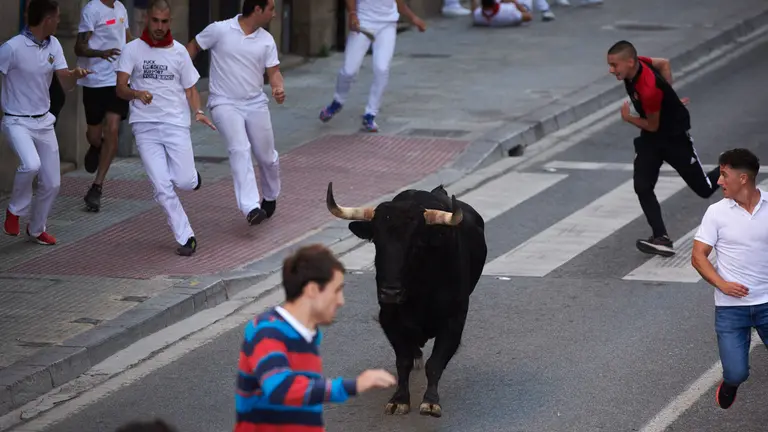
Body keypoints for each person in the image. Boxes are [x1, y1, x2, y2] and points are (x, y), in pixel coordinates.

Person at [235, 244, 396, 432]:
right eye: (336, 290)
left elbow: (302, 403)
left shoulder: (306, 336)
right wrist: (354, 385)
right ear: (312, 290)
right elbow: (280, 388)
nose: (341, 300)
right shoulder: (266, 331)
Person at [115, 0, 214, 256]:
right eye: (155, 21)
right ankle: (186, 237)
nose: (159, 27)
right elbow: (120, 88)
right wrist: (136, 93)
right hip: (144, 127)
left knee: (184, 180)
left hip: (175, 124)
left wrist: (199, 112)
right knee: (161, 186)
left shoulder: (179, 52)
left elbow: (191, 88)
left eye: (164, 22)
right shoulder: (132, 49)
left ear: (170, 22)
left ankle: (193, 179)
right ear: (147, 19)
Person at [607, 40, 720, 258]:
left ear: (629, 62)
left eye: (614, 65)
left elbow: (652, 124)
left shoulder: (648, 89)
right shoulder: (639, 63)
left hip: (674, 138)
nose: (611, 70)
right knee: (642, 186)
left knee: (704, 189)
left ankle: (733, 164)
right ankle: (661, 238)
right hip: (651, 140)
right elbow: (665, 63)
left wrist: (628, 118)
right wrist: (670, 96)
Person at [186, 0, 283, 225]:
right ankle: (250, 207)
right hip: (224, 102)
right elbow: (193, 47)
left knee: (267, 157)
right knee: (240, 148)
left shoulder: (266, 40)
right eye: (271, 9)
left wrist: (278, 87)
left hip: (256, 103)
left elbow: (274, 72)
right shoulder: (220, 30)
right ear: (257, 9)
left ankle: (270, 195)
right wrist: (180, 73)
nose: (275, 14)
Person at [1, 0, 91, 245]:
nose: (60, 21)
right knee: (31, 165)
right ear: (48, 19)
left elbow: (65, 83)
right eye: (57, 17)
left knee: (52, 182)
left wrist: (74, 75)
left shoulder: (55, 45)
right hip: (16, 121)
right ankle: (14, 212)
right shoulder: (12, 48)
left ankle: (36, 228)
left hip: (44, 122)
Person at [691, 148, 768, 410]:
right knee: (736, 373)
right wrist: (722, 284)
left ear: (743, 178)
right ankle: (731, 383)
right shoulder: (716, 212)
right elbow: (698, 256)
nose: (719, 181)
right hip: (731, 309)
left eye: (724, 175)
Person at [319, 0, 427, 132]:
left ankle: (370, 114)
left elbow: (399, 3)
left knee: (382, 68)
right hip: (364, 21)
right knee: (349, 70)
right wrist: (352, 14)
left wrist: (414, 18)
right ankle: (337, 102)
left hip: (387, 24)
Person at [75, 0, 134, 212]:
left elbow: (127, 39)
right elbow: (78, 47)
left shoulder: (121, 9)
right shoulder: (92, 10)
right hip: (95, 81)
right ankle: (96, 145)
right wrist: (101, 53)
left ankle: (97, 186)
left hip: (118, 80)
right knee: (94, 135)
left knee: (113, 128)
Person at [471, 0, 555, 24]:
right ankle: (545, 10)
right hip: (522, 6)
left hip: (502, 7)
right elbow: (528, 16)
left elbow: (474, 10)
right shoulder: (510, 12)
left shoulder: (478, 15)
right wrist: (514, 2)